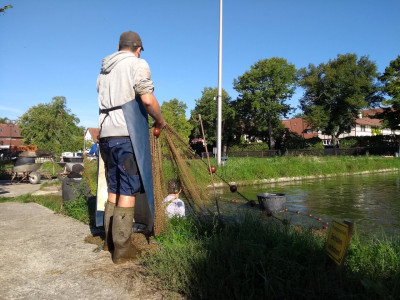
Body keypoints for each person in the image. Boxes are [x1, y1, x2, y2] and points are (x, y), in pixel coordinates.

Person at [97, 31, 166, 264]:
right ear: (138, 49)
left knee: (114, 188)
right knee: (127, 190)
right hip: (126, 135)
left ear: (119, 46)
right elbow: (147, 99)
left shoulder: (104, 70)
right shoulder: (137, 64)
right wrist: (160, 120)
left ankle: (109, 242)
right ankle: (123, 250)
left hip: (105, 136)